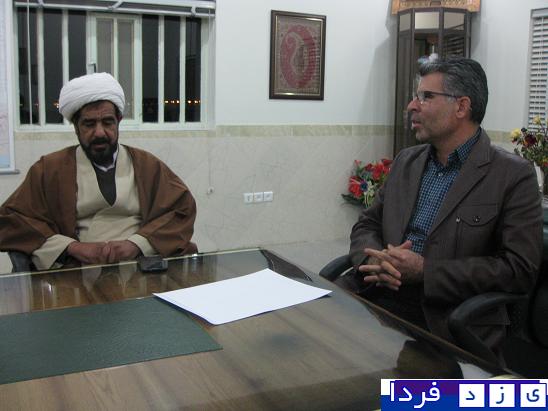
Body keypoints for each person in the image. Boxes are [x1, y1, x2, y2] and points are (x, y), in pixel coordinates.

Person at [349, 57, 542, 350]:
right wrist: (374, 261)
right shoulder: (406, 161)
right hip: (376, 296)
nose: (411, 106)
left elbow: (519, 269)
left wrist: (426, 270)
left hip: (445, 320)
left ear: (461, 107)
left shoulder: (512, 175)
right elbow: (367, 223)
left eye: (426, 96)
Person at [0, 73, 197, 270]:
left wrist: (137, 244)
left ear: (119, 121)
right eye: (89, 124)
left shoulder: (147, 166)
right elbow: (11, 220)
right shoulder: (49, 169)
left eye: (108, 122)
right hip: (74, 273)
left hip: (142, 270)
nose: (100, 132)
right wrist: (71, 247)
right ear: (76, 127)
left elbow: (181, 209)